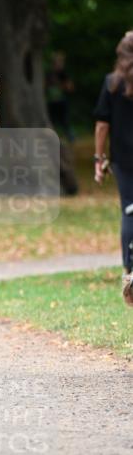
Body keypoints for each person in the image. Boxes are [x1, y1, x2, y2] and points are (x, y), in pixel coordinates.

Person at [93, 30, 133, 306]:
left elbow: (102, 125)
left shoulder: (112, 84)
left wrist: (99, 159)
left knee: (129, 209)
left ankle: (128, 270)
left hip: (122, 158)